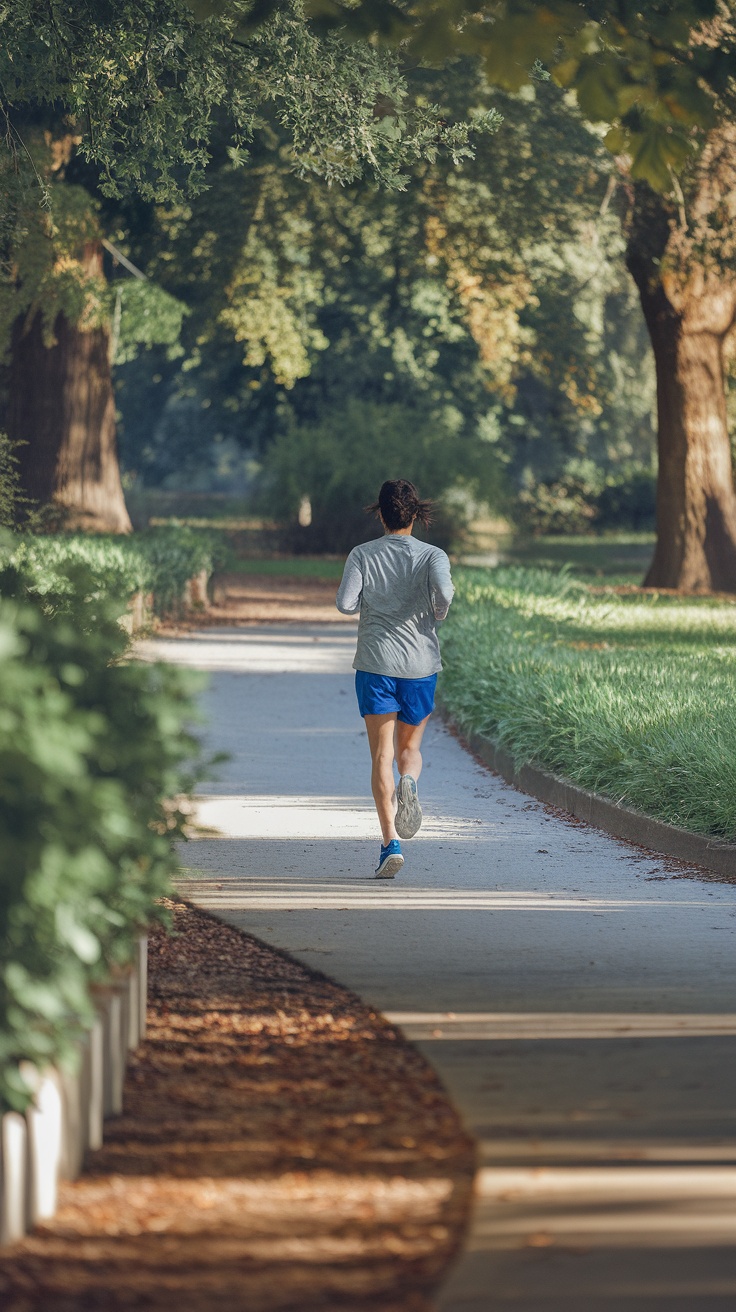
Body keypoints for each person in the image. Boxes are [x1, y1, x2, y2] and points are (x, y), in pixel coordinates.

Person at [336, 479, 454, 878]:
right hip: (421, 666)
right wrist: (436, 612)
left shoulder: (362, 554)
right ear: (416, 515)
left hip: (375, 665)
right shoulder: (433, 555)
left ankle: (391, 844)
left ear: (381, 514)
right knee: (410, 751)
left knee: (380, 756)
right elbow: (444, 593)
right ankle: (410, 782)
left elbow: (345, 603)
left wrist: (373, 600)